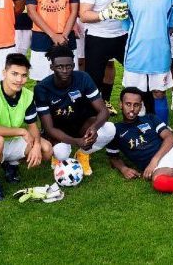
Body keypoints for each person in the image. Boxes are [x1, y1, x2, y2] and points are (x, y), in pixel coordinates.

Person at [0, 53, 53, 202]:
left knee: (46, 150)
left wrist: (37, 145)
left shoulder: (27, 95)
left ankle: (11, 164)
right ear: (4, 73)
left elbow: (33, 125)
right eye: (14, 74)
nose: (19, 80)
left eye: (24, 75)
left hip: (11, 141)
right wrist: (21, 131)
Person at [33, 44, 116, 176]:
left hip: (81, 125)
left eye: (68, 66)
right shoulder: (42, 88)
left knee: (110, 129)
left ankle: (83, 154)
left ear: (73, 65)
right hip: (58, 131)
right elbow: (49, 128)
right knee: (61, 153)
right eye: (60, 67)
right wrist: (76, 141)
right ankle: (61, 154)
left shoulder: (83, 78)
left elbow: (104, 111)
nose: (65, 70)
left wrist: (94, 128)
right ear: (52, 67)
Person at [120, 0, 173, 123]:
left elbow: (172, 22)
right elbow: (126, 23)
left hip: (160, 54)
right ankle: (133, 133)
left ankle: (163, 132)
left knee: (159, 93)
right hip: (135, 54)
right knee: (132, 97)